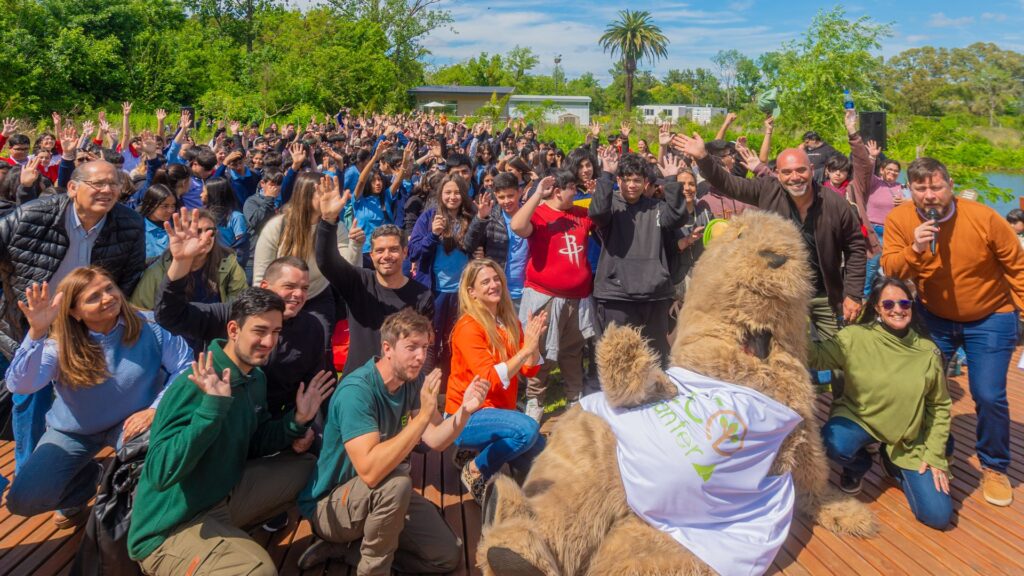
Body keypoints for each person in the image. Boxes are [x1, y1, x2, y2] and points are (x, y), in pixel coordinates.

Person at [128, 288, 334, 575]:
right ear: (234, 329)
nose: (269, 342)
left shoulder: (254, 378)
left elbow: (255, 440)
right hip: (170, 527)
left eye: (276, 332)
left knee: (309, 468)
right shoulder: (196, 382)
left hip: (221, 497)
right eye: (260, 331)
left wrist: (296, 421)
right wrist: (211, 411)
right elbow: (161, 473)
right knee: (259, 570)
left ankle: (334, 540)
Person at [296, 308, 486, 574]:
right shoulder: (357, 392)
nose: (421, 357)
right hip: (330, 506)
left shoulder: (410, 381)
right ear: (387, 348)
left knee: (446, 555)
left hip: (381, 495)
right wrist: (419, 422)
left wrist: (465, 411)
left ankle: (348, 551)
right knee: (397, 484)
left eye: (424, 347)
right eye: (412, 347)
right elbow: (371, 472)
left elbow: (436, 440)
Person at [881, 156, 1024, 507]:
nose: (929, 195)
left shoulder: (983, 217)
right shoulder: (900, 219)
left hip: (991, 315)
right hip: (935, 317)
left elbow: (1017, 267)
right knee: (925, 387)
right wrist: (914, 247)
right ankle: (934, 450)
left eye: (936, 186)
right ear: (910, 190)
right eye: (920, 188)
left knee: (988, 394)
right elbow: (890, 269)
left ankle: (994, 466)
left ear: (950, 185)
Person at [4, 267, 192, 528]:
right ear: (74, 312)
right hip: (75, 431)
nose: (107, 298)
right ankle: (90, 479)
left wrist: (156, 409)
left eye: (109, 288)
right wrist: (36, 332)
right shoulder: (59, 345)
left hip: (133, 423)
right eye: (94, 297)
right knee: (23, 500)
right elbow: (20, 385)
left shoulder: (148, 325)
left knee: (156, 469)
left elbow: (186, 367)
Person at [0, 159, 146, 470]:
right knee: (31, 395)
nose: (107, 190)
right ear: (72, 187)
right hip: (32, 321)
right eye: (98, 184)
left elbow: (130, 278)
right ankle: (30, 470)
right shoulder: (33, 215)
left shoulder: (130, 223)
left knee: (85, 395)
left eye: (114, 184)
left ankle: (74, 474)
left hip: (90, 323)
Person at [673, 122, 867, 345]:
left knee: (838, 353)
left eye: (801, 170)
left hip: (825, 295)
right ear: (778, 174)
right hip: (782, 297)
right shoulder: (767, 190)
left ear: (812, 170)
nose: (795, 177)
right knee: (785, 355)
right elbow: (728, 183)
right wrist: (703, 158)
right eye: (787, 172)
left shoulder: (835, 204)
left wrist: (853, 294)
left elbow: (855, 247)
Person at [154, 208, 329, 419]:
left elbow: (314, 387)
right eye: (289, 286)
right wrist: (181, 262)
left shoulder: (311, 328)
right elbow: (170, 314)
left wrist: (302, 427)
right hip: (218, 417)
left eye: (304, 288)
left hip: (272, 427)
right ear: (265, 286)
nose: (298, 294)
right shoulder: (232, 312)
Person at [809, 277, 952, 530]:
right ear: (876, 307)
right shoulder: (855, 336)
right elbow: (818, 357)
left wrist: (935, 454)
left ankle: (892, 461)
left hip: (908, 437)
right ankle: (860, 464)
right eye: (888, 303)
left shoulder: (927, 351)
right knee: (831, 441)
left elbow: (939, 406)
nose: (897, 309)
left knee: (937, 516)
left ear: (911, 305)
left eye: (903, 302)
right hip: (860, 417)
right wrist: (786, 325)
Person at [447, 259, 548, 503]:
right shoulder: (468, 327)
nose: (494, 285)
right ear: (471, 292)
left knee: (545, 459)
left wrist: (532, 346)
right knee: (527, 429)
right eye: (485, 281)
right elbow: (490, 378)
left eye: (496, 279)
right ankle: (475, 470)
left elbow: (529, 370)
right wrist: (525, 350)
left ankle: (475, 454)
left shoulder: (507, 321)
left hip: (501, 414)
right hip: (465, 417)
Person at [316, 184, 433, 377]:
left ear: (405, 252)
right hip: (359, 382)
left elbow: (424, 344)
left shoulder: (422, 294)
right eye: (380, 250)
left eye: (393, 249)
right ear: (371, 254)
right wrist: (328, 221)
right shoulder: (359, 281)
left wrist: (419, 387)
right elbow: (326, 261)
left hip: (399, 384)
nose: (386, 256)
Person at [510, 170, 597, 422]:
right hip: (544, 297)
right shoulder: (538, 214)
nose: (577, 193)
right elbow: (517, 225)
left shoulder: (580, 214)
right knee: (539, 351)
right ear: (559, 190)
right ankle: (536, 399)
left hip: (577, 298)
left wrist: (600, 186)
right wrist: (538, 192)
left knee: (573, 349)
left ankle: (574, 396)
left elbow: (603, 215)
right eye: (573, 188)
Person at [590, 150, 688, 364]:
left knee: (655, 356)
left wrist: (672, 180)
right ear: (619, 181)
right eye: (626, 180)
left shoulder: (656, 208)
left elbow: (678, 217)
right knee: (619, 355)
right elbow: (597, 212)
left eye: (636, 180)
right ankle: (619, 396)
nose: (631, 185)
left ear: (645, 183)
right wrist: (605, 174)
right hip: (617, 295)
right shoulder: (611, 207)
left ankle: (656, 396)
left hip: (654, 293)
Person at [254, 171, 361, 344]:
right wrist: (264, 310)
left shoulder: (336, 226)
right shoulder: (278, 226)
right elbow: (261, 276)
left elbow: (348, 268)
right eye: (324, 192)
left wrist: (355, 245)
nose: (330, 198)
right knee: (279, 348)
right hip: (279, 299)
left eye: (332, 192)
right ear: (306, 195)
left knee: (320, 348)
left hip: (318, 297)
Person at [409, 173, 473, 376]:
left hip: (462, 293)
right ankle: (424, 386)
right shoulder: (429, 218)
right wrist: (433, 235)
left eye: (457, 192)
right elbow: (413, 252)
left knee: (454, 340)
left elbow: (478, 245)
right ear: (440, 194)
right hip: (434, 292)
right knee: (430, 340)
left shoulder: (470, 219)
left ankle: (448, 385)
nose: (452, 197)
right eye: (448, 192)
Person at [130, 208, 248, 310]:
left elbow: (240, 305)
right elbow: (140, 310)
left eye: (210, 232)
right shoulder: (159, 270)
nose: (205, 237)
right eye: (197, 232)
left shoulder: (228, 263)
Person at [462, 172, 529, 307]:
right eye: (501, 197)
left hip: (527, 291)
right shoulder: (491, 217)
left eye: (511, 196)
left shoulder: (531, 215)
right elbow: (468, 245)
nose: (506, 201)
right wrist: (480, 218)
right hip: (498, 291)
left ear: (520, 192)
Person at [203, 176, 249, 267]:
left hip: (226, 265)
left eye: (203, 191)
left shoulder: (236, 217)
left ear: (213, 194)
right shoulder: (205, 216)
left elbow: (241, 247)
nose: (200, 194)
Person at [136, 184, 177, 264]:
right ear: (151, 205)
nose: (170, 210)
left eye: (173, 206)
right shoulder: (139, 229)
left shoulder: (175, 226)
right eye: (165, 206)